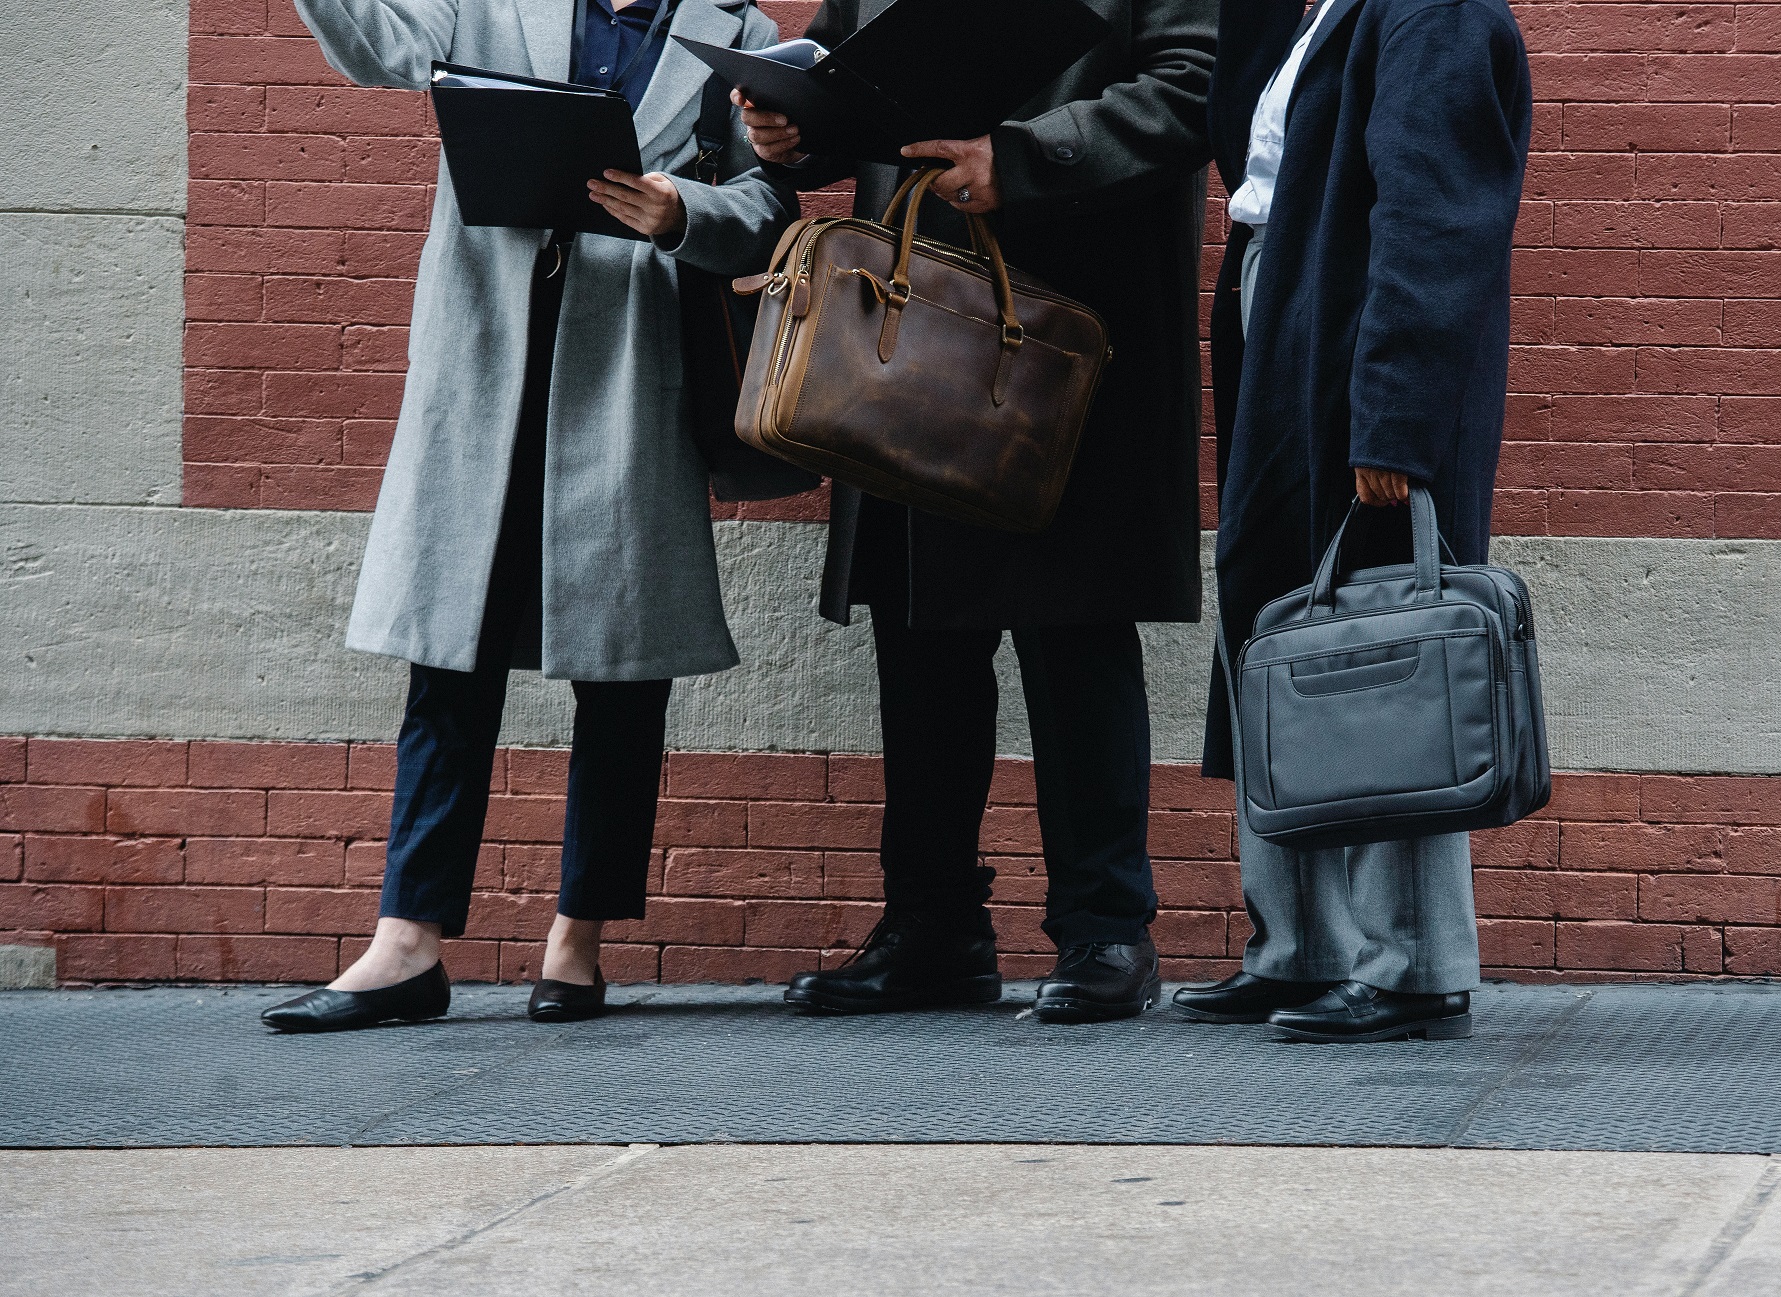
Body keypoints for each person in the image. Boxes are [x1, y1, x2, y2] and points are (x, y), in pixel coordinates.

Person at [261, 0, 796, 1033]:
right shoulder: (491, 2)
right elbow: (384, 50)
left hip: (632, 369)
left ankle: (577, 939)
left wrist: (679, 210)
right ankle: (407, 943)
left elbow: (770, 202)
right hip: (487, 356)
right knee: (448, 655)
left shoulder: (745, 39)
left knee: (624, 666)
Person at [736, 1, 1217, 1023]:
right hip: (906, 336)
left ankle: (1105, 932)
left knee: (1074, 628)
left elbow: (1191, 88)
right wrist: (789, 121)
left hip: (1061, 331)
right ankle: (932, 930)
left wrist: (1022, 156)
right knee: (917, 640)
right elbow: (838, 66)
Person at [1171, 0, 1531, 1041]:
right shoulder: (1312, 10)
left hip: (1355, 347)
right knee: (1279, 632)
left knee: (1387, 654)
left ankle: (1412, 966)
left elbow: (1436, 216)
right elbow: (1240, 146)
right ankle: (1302, 951)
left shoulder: (1434, 11)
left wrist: (1396, 418)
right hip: (1276, 307)